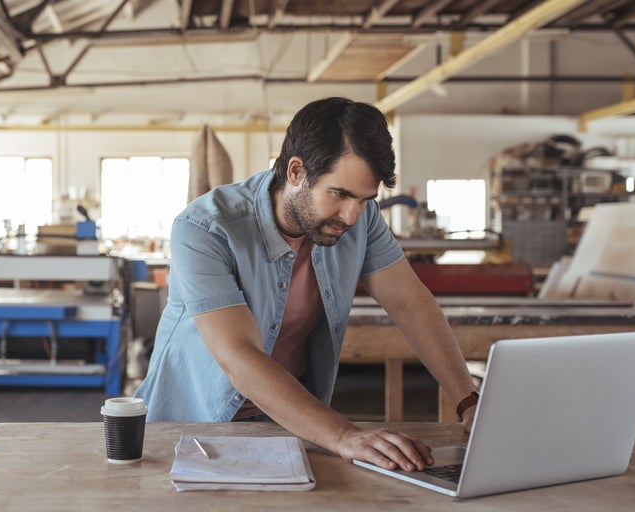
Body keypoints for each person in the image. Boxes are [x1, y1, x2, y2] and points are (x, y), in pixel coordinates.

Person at [134, 97, 478, 473]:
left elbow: (410, 304)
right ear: (296, 171)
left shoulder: (361, 220)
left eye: (365, 199)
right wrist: (344, 435)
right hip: (190, 427)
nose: (351, 215)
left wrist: (468, 402)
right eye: (340, 194)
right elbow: (239, 358)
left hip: (285, 425)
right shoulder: (205, 228)